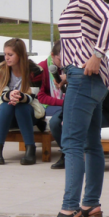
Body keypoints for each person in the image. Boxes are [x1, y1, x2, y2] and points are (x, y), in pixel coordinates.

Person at [44, 0, 109, 217]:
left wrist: (97, 54)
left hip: (85, 77)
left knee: (72, 143)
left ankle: (70, 208)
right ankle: (90, 204)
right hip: (89, 78)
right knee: (90, 144)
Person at [0, 38, 45, 166]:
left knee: (22, 107)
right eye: (5, 54)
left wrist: (20, 96)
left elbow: (32, 96)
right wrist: (10, 95)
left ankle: (30, 150)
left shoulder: (36, 70)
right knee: (6, 107)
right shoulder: (0, 69)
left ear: (20, 55)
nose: (6, 58)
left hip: (28, 113)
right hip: (7, 112)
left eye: (10, 55)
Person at [37, 41, 66, 169]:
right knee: (56, 122)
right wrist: (64, 103)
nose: (63, 62)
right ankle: (66, 154)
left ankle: (70, 153)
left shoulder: (69, 68)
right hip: (49, 106)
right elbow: (41, 97)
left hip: (68, 105)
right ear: (52, 55)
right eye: (60, 59)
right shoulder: (42, 68)